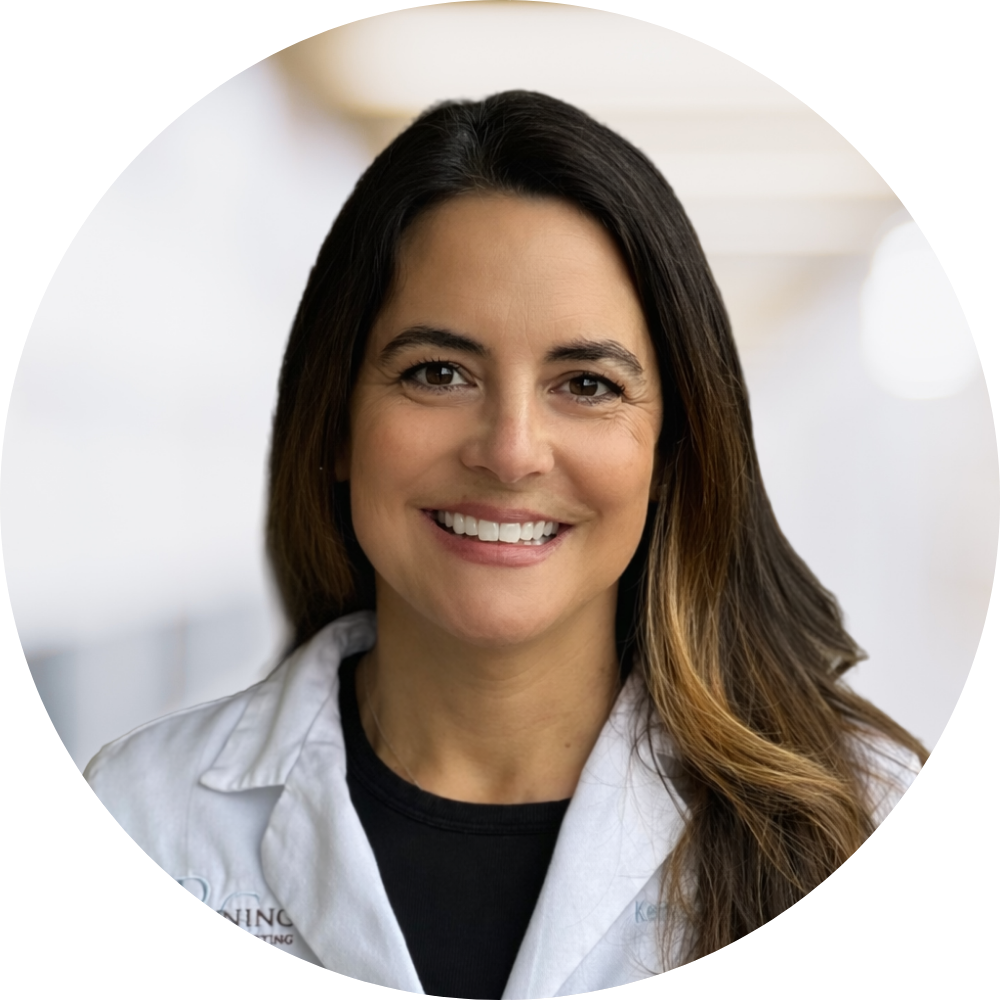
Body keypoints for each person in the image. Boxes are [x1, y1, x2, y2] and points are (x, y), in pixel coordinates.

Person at [84, 90, 925, 998]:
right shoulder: (133, 820)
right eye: (439, 373)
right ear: (335, 422)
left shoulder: (877, 827)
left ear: (672, 452)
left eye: (587, 384)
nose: (512, 451)